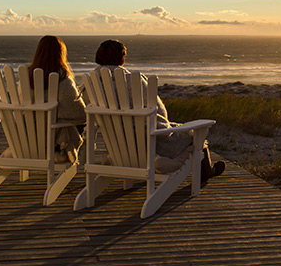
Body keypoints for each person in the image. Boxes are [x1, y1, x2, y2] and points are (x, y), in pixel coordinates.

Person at [93, 39, 225, 181]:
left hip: (118, 145)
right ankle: (207, 172)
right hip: (151, 144)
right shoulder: (133, 81)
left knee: (179, 127)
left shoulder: (93, 83)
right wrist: (165, 129)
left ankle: (207, 170)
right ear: (122, 59)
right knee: (195, 133)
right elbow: (159, 115)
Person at [28, 35, 86, 163]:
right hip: (54, 144)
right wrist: (59, 113)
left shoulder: (25, 78)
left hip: (26, 141)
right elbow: (79, 113)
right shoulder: (62, 79)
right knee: (84, 126)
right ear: (61, 54)